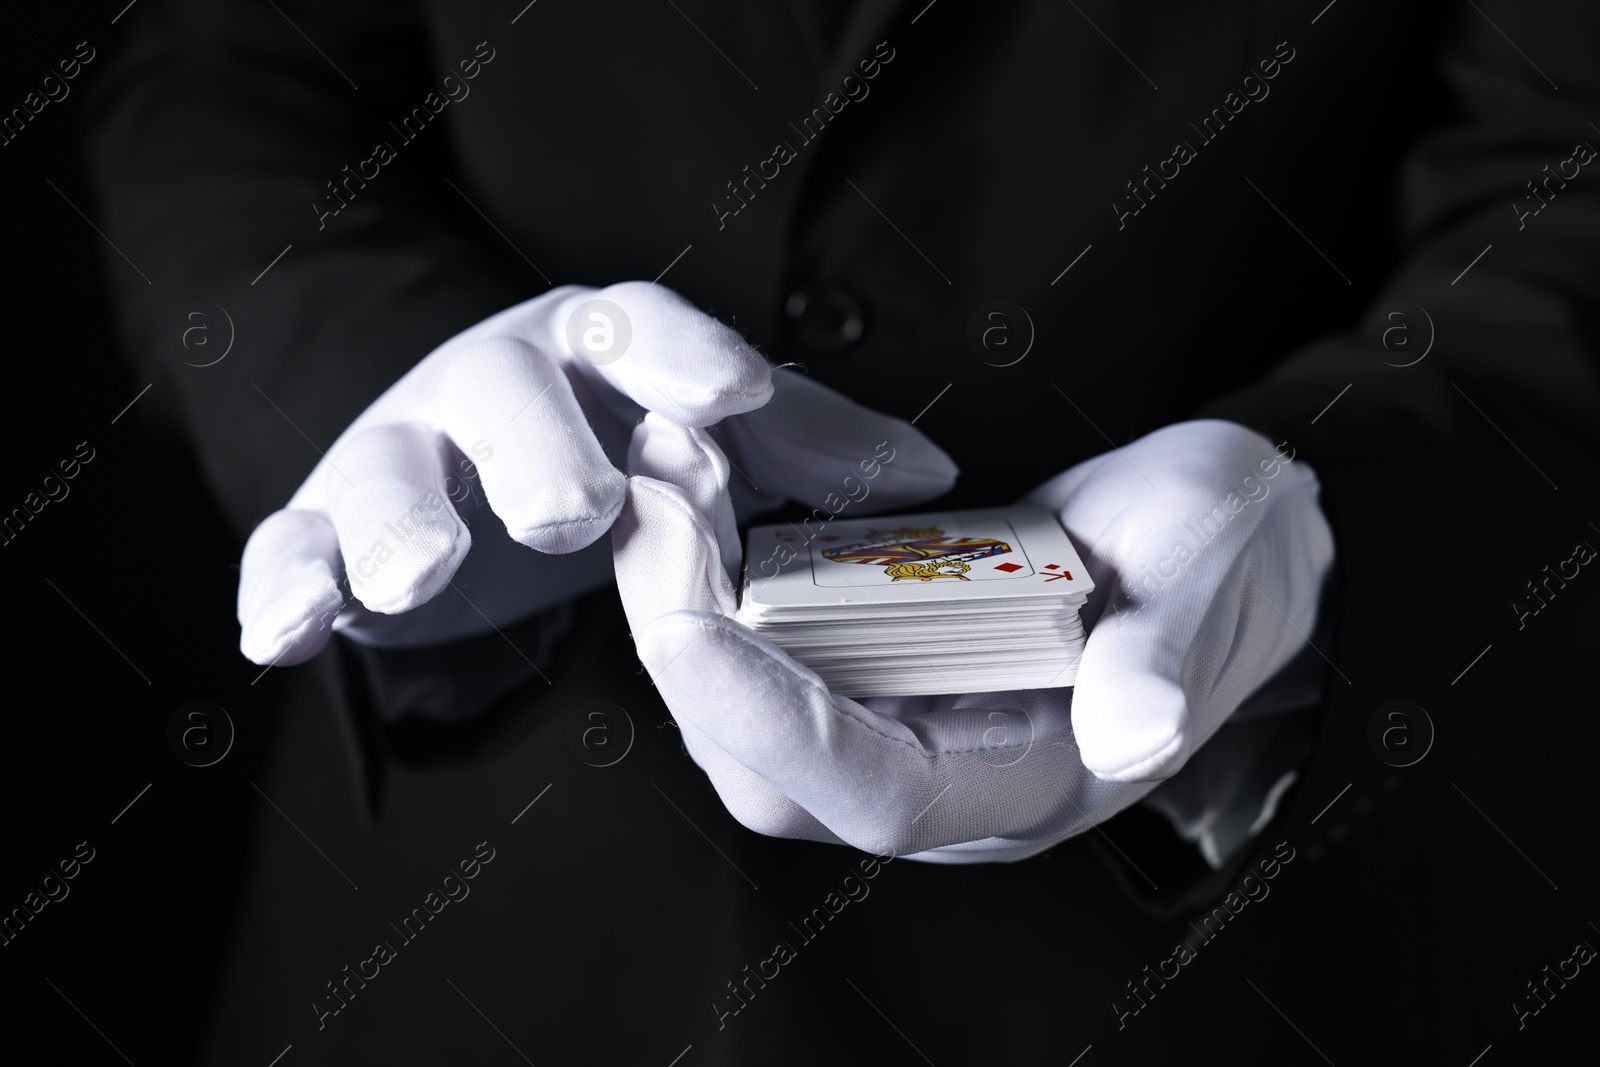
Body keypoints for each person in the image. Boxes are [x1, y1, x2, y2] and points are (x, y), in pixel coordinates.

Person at [84, 1, 1600, 1063]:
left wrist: (1321, 492)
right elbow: (220, 73)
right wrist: (374, 389)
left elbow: (1566, 155)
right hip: (482, 942)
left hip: (1233, 970)